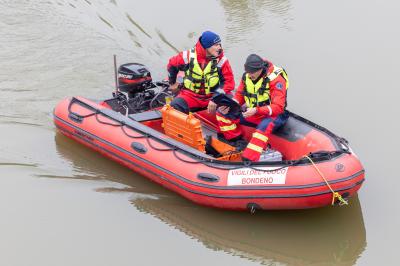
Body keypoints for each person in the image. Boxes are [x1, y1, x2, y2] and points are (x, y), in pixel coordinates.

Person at [216, 54, 289, 161]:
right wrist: (232, 104)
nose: (250, 75)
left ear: (261, 69)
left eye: (252, 72)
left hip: (273, 115)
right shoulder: (247, 76)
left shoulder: (276, 80)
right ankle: (236, 141)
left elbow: (278, 107)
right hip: (254, 112)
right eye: (248, 72)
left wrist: (256, 110)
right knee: (222, 113)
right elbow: (240, 95)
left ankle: (249, 159)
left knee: (262, 129)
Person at [167, 31, 235, 114]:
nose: (219, 48)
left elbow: (229, 82)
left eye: (220, 44)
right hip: (191, 96)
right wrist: (172, 83)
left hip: (212, 97)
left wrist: (216, 98)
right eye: (216, 45)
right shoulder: (187, 56)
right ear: (206, 47)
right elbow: (171, 65)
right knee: (175, 106)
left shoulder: (222, 60)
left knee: (230, 103)